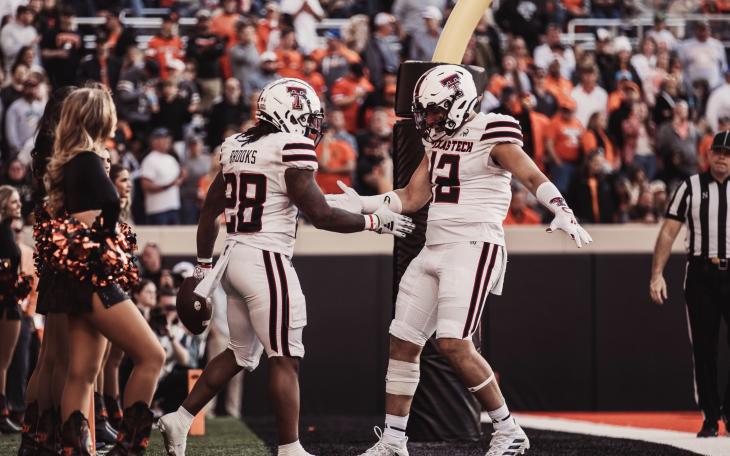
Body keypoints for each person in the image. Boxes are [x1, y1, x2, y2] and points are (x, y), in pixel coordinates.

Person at [328, 64, 591, 456]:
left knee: (454, 342)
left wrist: (560, 207)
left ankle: (508, 430)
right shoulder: (438, 141)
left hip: (474, 245)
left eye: (434, 110)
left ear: (458, 102)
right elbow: (413, 196)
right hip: (433, 246)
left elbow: (533, 176)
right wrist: (363, 204)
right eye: (425, 111)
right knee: (402, 342)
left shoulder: (492, 130)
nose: (428, 119)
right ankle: (395, 440)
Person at [157, 78, 414, 456]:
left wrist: (201, 266)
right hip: (266, 261)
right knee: (286, 356)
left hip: (233, 257)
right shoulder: (289, 147)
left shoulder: (238, 146)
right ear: (287, 113)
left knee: (240, 353)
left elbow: (212, 209)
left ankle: (179, 418)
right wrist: (375, 224)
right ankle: (290, 448)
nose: (312, 127)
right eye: (307, 117)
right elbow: (320, 214)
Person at [37, 85, 164, 455]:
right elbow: (111, 201)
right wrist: (110, 236)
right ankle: (129, 447)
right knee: (151, 355)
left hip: (74, 277)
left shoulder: (70, 159)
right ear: (100, 117)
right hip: (94, 276)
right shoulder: (89, 160)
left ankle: (74, 450)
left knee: (82, 371)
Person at [650, 130, 730, 437]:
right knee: (704, 349)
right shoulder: (691, 187)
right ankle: (711, 416)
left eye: (728, 152)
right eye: (717, 151)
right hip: (701, 274)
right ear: (708, 155)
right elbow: (669, 232)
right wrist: (657, 274)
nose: (722, 157)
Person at [18, 85, 75, 456]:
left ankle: (34, 436)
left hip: (48, 241)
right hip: (64, 244)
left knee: (50, 355)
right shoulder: (62, 145)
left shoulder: (42, 144)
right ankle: (50, 435)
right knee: (59, 355)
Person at [0, 186, 23, 434]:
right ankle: (2, 412)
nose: (19, 205)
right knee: (3, 362)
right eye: (14, 202)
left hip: (9, 299)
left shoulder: (7, 229)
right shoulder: (3, 231)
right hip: (7, 303)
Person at [140, 127, 184, 225]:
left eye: (167, 138)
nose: (166, 140)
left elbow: (177, 180)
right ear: (154, 141)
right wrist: (169, 185)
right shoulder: (149, 160)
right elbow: (146, 185)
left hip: (174, 206)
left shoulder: (171, 159)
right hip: (157, 209)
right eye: (162, 138)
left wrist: (182, 177)